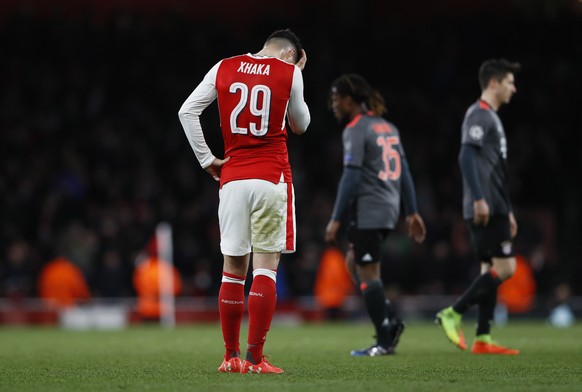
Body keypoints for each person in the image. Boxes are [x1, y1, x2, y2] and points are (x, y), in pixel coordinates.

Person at [178, 29, 310, 374]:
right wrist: (298, 75)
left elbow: (187, 112)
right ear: (289, 55)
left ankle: (229, 357)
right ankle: (255, 358)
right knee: (265, 267)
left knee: (232, 270)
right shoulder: (289, 72)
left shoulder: (224, 66)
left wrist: (207, 160)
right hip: (271, 178)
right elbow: (301, 125)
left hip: (232, 180)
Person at [325, 74, 426, 356]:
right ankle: (389, 318)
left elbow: (351, 176)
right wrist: (412, 211)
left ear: (348, 100)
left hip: (370, 207)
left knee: (369, 273)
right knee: (353, 263)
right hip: (389, 206)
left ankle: (384, 339)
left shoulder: (356, 129)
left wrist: (335, 218)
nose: (333, 104)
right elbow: (404, 172)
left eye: (335, 99)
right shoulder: (387, 126)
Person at [436, 58, 522, 355]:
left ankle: (483, 338)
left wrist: (508, 208)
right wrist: (478, 198)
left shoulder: (493, 118)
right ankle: (452, 313)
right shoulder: (479, 114)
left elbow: (496, 169)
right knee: (506, 268)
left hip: (497, 205)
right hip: (486, 206)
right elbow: (466, 157)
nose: (514, 88)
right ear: (494, 82)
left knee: (489, 269)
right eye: (510, 82)